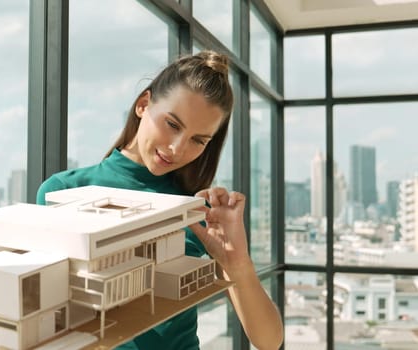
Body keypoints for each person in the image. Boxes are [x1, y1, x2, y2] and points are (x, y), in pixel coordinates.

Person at [36, 50, 283, 350]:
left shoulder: (196, 210)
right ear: (143, 105)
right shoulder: (61, 193)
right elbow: (38, 313)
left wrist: (236, 262)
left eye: (198, 140)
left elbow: (268, 342)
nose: (177, 148)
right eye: (173, 124)